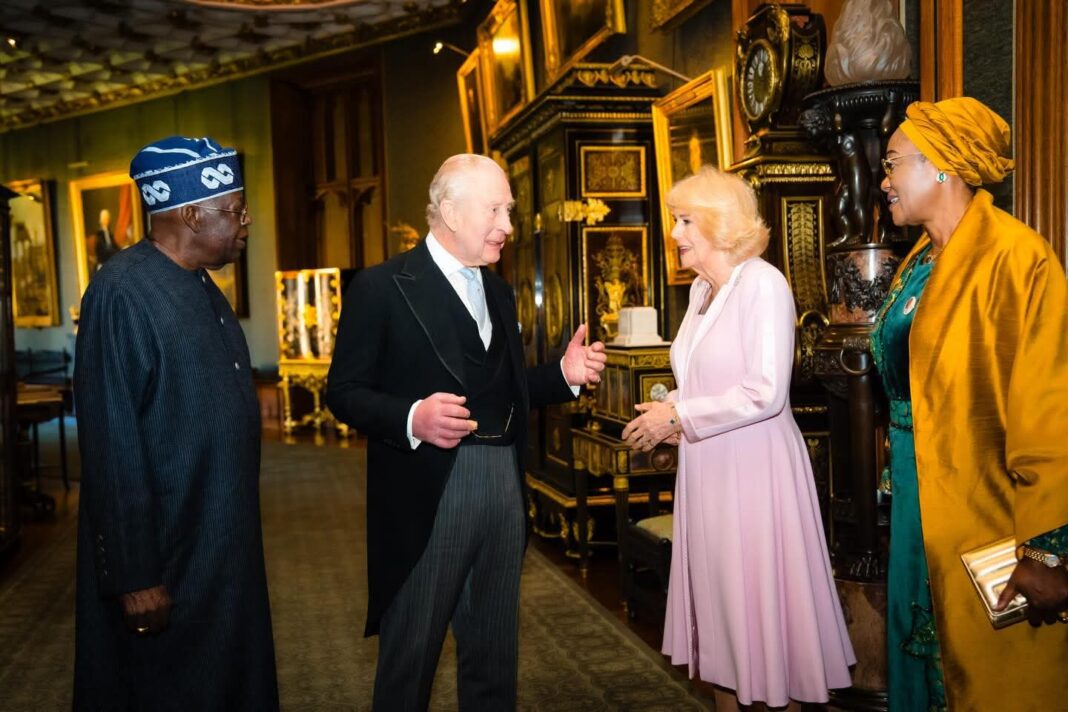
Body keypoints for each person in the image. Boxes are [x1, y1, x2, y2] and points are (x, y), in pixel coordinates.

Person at [325, 153, 607, 711]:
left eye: (509, 210)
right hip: (427, 494)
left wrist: (563, 377)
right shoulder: (382, 288)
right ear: (450, 212)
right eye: (496, 209)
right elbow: (344, 392)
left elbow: (500, 389)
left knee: (493, 652)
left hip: (502, 485)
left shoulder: (498, 291)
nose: (509, 224)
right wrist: (412, 417)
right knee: (411, 658)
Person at [622, 166, 855, 711]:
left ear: (717, 223)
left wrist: (679, 419)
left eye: (683, 221)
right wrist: (669, 408)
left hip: (754, 471)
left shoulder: (763, 284)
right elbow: (702, 380)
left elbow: (766, 391)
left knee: (764, 621)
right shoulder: (703, 291)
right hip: (708, 468)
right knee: (724, 619)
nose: (675, 233)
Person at [871, 97, 1067, 710]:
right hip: (916, 498)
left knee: (990, 675)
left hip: (986, 509)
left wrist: (1046, 547)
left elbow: (1048, 412)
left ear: (943, 168)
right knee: (917, 655)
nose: (883, 180)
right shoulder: (919, 260)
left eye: (893, 163)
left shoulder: (1016, 258)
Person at [73, 136, 279, 710]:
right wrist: (135, 575)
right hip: (166, 554)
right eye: (235, 212)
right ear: (191, 213)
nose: (245, 223)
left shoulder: (201, 284)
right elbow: (111, 442)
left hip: (217, 541)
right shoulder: (121, 292)